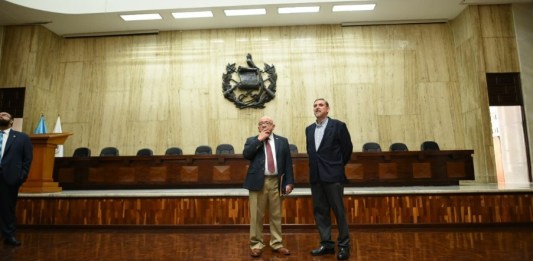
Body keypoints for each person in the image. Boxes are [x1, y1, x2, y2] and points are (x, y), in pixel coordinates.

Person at [305, 99, 353, 260]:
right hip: (316, 177)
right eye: (315, 105)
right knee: (320, 212)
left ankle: (344, 246)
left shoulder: (338, 126)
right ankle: (326, 244)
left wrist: (337, 166)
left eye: (320, 105)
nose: (317, 107)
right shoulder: (309, 129)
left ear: (327, 109)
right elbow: (312, 153)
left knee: (339, 211)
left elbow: (347, 149)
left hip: (333, 176)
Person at [243, 116, 294, 258]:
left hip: (276, 182)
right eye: (261, 124)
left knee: (276, 215)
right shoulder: (252, 141)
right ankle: (256, 245)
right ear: (258, 127)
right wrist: (259, 139)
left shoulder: (282, 141)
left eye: (267, 123)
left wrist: (289, 182)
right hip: (257, 182)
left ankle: (277, 243)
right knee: (256, 216)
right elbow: (246, 155)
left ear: (273, 126)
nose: (264, 125)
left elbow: (288, 163)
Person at [0, 112, 33, 246]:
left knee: (7, 208)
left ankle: (9, 236)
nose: (1, 115)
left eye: (5, 114)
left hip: (10, 178)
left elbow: (28, 159)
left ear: (12, 121)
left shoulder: (22, 138)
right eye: (0, 114)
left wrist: (21, 176)